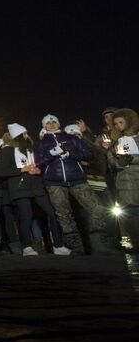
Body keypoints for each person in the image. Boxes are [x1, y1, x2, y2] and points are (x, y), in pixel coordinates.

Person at [35, 114, 114, 254]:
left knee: (97, 208)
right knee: (63, 213)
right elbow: (38, 162)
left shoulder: (71, 137)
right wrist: (52, 154)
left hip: (77, 178)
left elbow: (88, 154)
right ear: (44, 126)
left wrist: (71, 154)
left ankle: (99, 242)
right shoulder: (41, 143)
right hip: (54, 181)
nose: (52, 124)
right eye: (48, 123)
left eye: (54, 122)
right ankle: (75, 246)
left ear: (59, 124)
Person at [0, 124, 72, 256]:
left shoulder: (31, 149)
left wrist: (38, 170)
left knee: (52, 212)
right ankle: (27, 247)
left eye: (26, 133)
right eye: (23, 134)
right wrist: (21, 169)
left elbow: (39, 163)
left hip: (36, 184)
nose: (26, 136)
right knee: (26, 215)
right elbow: (2, 171)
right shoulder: (7, 150)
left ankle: (58, 245)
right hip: (19, 187)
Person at [107, 108, 139, 250]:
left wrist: (131, 158)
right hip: (124, 183)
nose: (118, 125)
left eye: (121, 122)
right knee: (128, 217)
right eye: (116, 123)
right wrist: (119, 161)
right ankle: (136, 243)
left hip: (137, 178)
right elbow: (111, 160)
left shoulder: (137, 139)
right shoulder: (116, 142)